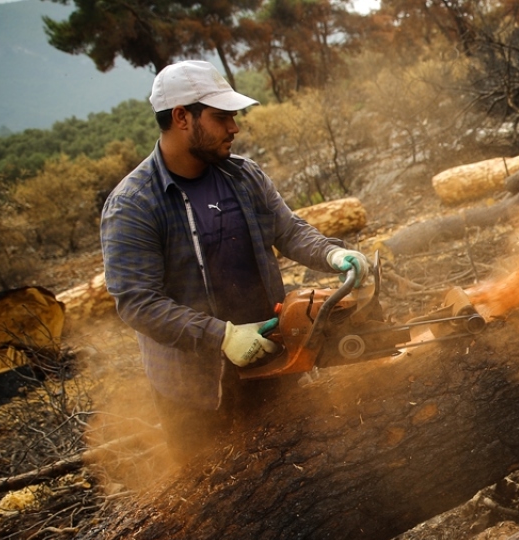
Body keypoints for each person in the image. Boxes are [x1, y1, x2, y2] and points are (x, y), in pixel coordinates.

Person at [100, 60, 369, 456]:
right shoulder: (134, 205)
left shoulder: (243, 176)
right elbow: (138, 302)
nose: (234, 127)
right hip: (197, 393)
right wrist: (221, 336)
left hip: (272, 360)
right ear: (181, 117)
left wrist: (332, 253)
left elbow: (288, 230)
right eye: (221, 116)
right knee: (212, 484)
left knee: (300, 467)